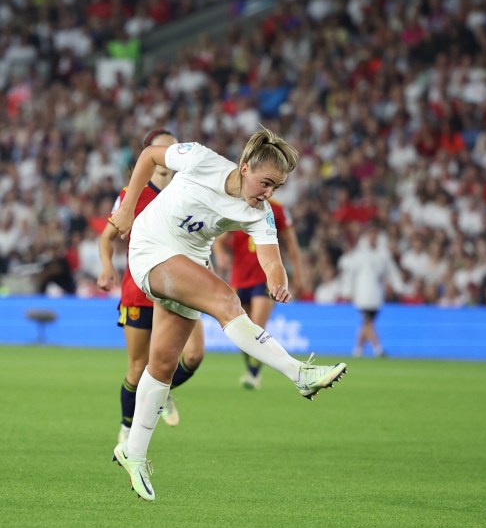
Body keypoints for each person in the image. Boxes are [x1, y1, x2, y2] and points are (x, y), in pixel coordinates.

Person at [108, 126, 347, 502]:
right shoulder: (200, 159)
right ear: (246, 166)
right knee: (225, 300)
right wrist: (126, 207)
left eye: (277, 187)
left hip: (190, 259)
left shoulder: (260, 213)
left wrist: (277, 280)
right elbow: (151, 155)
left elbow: (272, 259)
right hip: (151, 246)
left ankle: (133, 452)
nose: (268, 193)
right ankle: (298, 373)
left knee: (164, 363)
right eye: (266, 182)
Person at [97, 129, 205, 443]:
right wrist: (106, 267)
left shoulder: (189, 193)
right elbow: (107, 238)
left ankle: (162, 390)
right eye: (165, 147)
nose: (173, 152)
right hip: (139, 290)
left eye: (176, 147)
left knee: (194, 355)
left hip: (179, 288)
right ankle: (127, 430)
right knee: (137, 366)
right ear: (150, 153)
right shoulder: (133, 192)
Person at [212, 198, 306, 390]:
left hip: (265, 277)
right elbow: (220, 241)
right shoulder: (238, 205)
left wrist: (298, 274)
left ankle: (254, 375)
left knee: (257, 326)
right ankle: (252, 371)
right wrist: (221, 255)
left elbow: (291, 245)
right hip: (239, 279)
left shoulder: (278, 209)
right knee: (244, 328)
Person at [339, 223, 404, 357]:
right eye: (371, 235)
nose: (373, 238)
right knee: (368, 322)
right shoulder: (360, 254)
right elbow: (350, 273)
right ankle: (378, 349)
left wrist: (398, 286)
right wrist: (347, 291)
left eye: (375, 235)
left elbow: (391, 271)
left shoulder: (383, 254)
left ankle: (358, 350)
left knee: (367, 323)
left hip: (377, 294)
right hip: (362, 294)